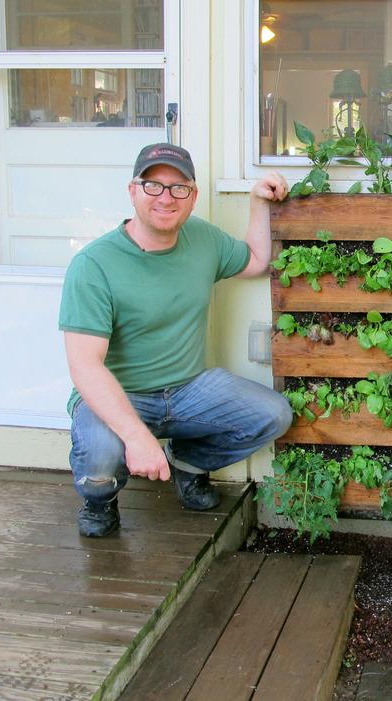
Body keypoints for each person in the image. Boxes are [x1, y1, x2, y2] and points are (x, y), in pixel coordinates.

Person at [59, 143, 293, 538]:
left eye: (178, 187)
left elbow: (256, 260)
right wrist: (136, 438)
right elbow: (85, 366)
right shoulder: (94, 265)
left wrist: (258, 202)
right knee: (101, 457)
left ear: (193, 196)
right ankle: (100, 501)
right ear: (133, 191)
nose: (166, 198)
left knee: (274, 414)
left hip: (188, 389)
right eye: (153, 186)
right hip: (121, 394)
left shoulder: (201, 240)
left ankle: (187, 467)